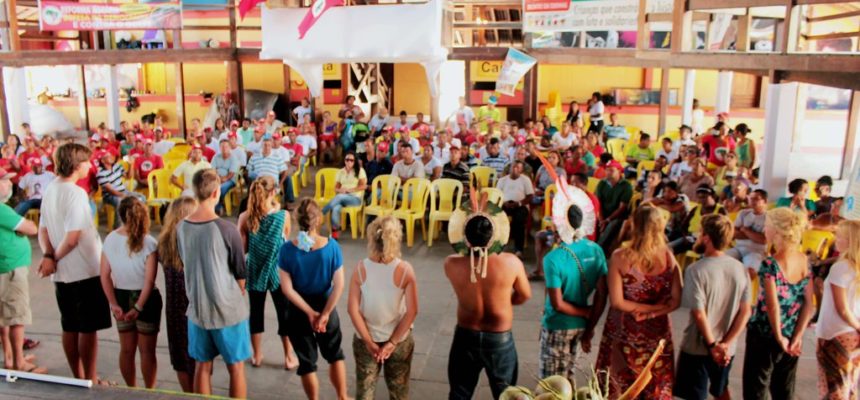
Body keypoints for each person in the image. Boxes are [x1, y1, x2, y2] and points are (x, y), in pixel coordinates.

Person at [445, 198, 531, 399]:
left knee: (460, 392)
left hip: (466, 333)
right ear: (495, 236)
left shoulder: (451, 264)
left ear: (464, 235)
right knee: (505, 394)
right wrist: (505, 302)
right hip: (499, 335)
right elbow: (524, 295)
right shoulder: (511, 263)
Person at [38, 143, 111, 382]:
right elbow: (72, 237)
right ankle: (89, 378)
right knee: (87, 329)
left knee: (69, 325)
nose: (90, 166)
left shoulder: (51, 189)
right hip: (83, 269)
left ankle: (77, 375)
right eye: (87, 162)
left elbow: (43, 231)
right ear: (77, 165)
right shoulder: (75, 193)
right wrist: (53, 258)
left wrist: (49, 256)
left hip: (62, 273)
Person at [177, 169, 250, 398]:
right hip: (227, 309)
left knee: (202, 365)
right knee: (236, 367)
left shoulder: (181, 227)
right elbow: (240, 273)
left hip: (197, 309)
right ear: (217, 192)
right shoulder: (227, 229)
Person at [596, 206, 682, 399]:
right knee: (655, 384)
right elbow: (676, 300)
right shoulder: (669, 257)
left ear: (634, 225)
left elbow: (617, 302)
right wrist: (654, 312)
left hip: (624, 330)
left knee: (620, 387)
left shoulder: (619, 257)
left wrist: (643, 310)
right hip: (657, 332)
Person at [277, 199, 350, 400]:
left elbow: (287, 289)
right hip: (327, 306)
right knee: (335, 354)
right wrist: (324, 314)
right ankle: (342, 396)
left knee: (307, 362)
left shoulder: (287, 250)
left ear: (296, 219)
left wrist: (310, 313)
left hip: (297, 312)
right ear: (318, 220)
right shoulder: (332, 247)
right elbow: (339, 285)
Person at [674, 215, 752, 400]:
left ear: (707, 237)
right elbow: (746, 311)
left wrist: (712, 345)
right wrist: (725, 344)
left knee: (693, 394)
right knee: (721, 389)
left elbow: (699, 314)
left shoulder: (696, 270)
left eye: (701, 233)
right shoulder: (740, 269)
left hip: (698, 346)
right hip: (727, 350)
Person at [742, 208, 814, 400]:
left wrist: (778, 336)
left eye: (767, 225)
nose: (764, 229)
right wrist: (797, 336)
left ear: (776, 230)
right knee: (784, 388)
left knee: (756, 388)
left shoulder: (770, 264)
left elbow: (772, 305)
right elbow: (809, 303)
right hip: (792, 334)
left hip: (765, 334)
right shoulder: (804, 260)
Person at [346, 216, 418, 400]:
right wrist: (392, 343)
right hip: (399, 341)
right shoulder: (405, 270)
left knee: (364, 391)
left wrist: (370, 343)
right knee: (399, 391)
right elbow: (412, 312)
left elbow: (352, 310)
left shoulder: (361, 268)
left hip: (365, 339)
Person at [539, 198, 607, 380]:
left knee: (551, 384)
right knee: (569, 376)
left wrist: (585, 313)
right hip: (581, 327)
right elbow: (602, 293)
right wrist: (591, 324)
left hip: (557, 324)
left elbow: (558, 304)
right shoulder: (596, 250)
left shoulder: (553, 258)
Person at [237, 177, 299, 370]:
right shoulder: (283, 216)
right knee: (285, 313)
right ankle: (289, 356)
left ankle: (256, 355)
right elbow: (285, 239)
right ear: (273, 192)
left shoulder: (245, 217)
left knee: (255, 313)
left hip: (255, 269)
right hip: (278, 272)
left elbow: (242, 249)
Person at [99, 197, 161, 388]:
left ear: (120, 215)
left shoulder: (110, 239)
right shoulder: (149, 242)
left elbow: (105, 275)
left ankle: (131, 389)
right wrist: (139, 306)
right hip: (146, 300)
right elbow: (149, 281)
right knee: (147, 351)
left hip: (121, 297)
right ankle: (149, 391)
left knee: (126, 350)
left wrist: (113, 304)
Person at [0, 167, 44, 373]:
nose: (9, 185)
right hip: (9, 269)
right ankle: (18, 362)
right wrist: (22, 228)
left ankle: (10, 357)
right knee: (16, 316)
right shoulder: (2, 210)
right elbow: (31, 228)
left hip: (6, 267)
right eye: (5, 181)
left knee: (5, 317)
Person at [156, 197, 198, 392]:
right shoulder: (196, 241)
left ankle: (187, 393)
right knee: (199, 356)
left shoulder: (163, 243)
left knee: (180, 357)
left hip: (174, 307)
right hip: (195, 305)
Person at [815, 220, 860, 399]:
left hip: (835, 334)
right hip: (853, 334)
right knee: (850, 384)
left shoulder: (840, 268)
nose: (836, 239)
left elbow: (842, 309)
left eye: (840, 236)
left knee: (834, 387)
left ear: (850, 240)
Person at [726, 189, 769, 282]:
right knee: (719, 262)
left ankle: (742, 294)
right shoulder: (743, 213)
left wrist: (745, 230)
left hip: (756, 252)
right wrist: (754, 235)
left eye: (756, 199)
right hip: (738, 248)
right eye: (751, 198)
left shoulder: (769, 217)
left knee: (750, 272)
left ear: (765, 201)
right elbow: (734, 233)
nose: (752, 201)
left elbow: (763, 240)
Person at [322, 152, 367, 239]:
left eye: (351, 160)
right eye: (347, 160)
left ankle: (321, 213)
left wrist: (350, 190)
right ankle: (336, 231)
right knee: (336, 208)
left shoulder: (360, 171)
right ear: (344, 161)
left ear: (355, 161)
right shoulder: (341, 172)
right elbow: (336, 188)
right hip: (342, 198)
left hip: (355, 198)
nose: (349, 162)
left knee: (339, 197)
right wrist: (341, 190)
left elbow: (363, 186)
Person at [497, 160, 534, 256]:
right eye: (513, 167)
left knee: (519, 221)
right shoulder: (502, 180)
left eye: (518, 167)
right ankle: (498, 245)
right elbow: (497, 194)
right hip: (505, 204)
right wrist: (504, 203)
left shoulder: (525, 180)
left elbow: (530, 196)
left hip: (520, 206)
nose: (515, 169)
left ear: (521, 170)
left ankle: (519, 250)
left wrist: (519, 203)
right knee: (498, 219)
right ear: (509, 168)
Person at [595, 160, 633, 254]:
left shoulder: (626, 186)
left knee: (612, 225)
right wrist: (601, 219)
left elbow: (622, 208)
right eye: (607, 170)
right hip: (603, 214)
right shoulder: (602, 183)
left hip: (618, 216)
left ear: (619, 171)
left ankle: (597, 250)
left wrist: (607, 220)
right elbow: (598, 203)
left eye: (611, 170)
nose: (608, 172)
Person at [211, 140, 240, 215]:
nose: (224, 148)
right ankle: (212, 205)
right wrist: (218, 178)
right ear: (219, 148)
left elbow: (231, 173)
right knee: (209, 187)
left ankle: (217, 207)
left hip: (230, 180)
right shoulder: (216, 157)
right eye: (222, 146)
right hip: (216, 178)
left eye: (226, 146)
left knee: (221, 188)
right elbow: (212, 170)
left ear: (229, 147)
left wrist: (224, 179)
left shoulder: (233, 158)